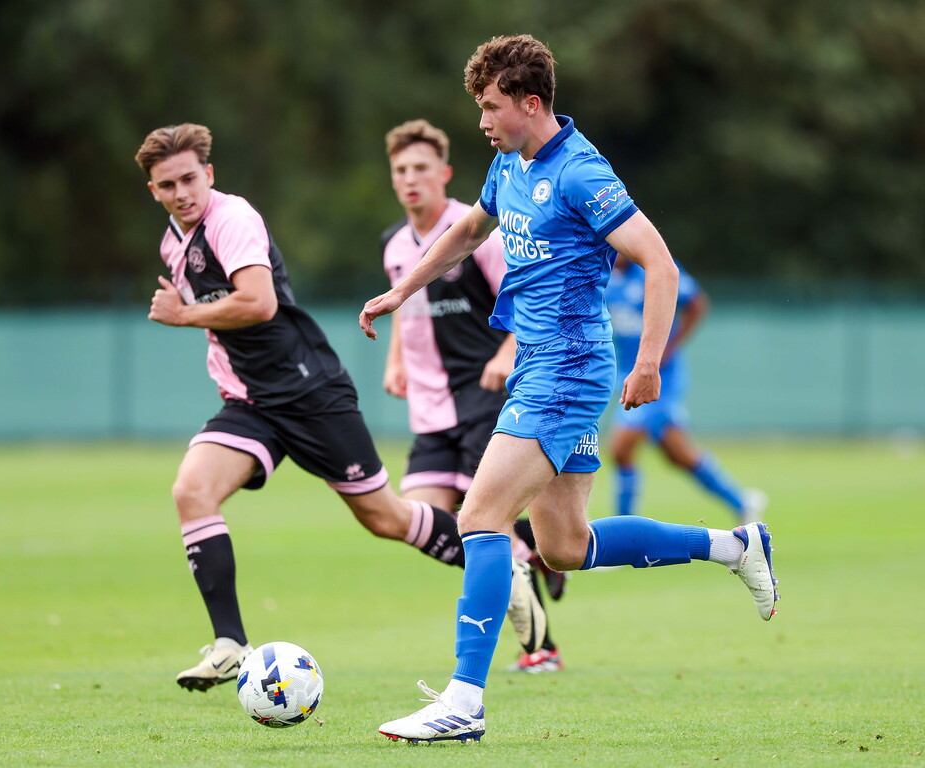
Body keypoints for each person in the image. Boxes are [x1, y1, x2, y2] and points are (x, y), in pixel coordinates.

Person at [359, 34, 778, 743]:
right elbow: (468, 231)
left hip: (568, 371)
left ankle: (464, 700)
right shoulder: (508, 162)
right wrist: (402, 290)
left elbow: (661, 265)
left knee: (480, 517)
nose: (482, 121)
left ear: (531, 103)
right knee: (564, 547)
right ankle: (734, 545)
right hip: (542, 367)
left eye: (491, 107)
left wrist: (649, 362)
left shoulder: (581, 172)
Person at [134, 122, 547, 693]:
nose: (180, 192)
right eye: (166, 185)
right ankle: (230, 644)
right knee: (191, 491)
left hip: (310, 393)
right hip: (252, 401)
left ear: (209, 173)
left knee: (386, 518)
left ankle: (505, 569)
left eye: (188, 179)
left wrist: (183, 315)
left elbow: (258, 302)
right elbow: (224, 324)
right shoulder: (173, 244)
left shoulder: (232, 219)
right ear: (153, 191)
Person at [382, 118, 564, 673]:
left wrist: (508, 350)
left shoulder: (475, 229)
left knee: (483, 518)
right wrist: (395, 360)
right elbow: (406, 303)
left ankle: (541, 648)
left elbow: (526, 291)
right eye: (400, 170)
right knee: (421, 516)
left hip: (484, 392)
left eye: (420, 168)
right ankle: (531, 546)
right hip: (432, 405)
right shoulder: (395, 244)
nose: (410, 179)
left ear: (445, 174)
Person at [606, 253, 768, 522]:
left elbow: (696, 303)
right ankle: (741, 502)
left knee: (621, 448)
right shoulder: (605, 274)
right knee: (679, 454)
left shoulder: (650, 268)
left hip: (659, 379)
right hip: (629, 374)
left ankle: (621, 528)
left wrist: (668, 349)